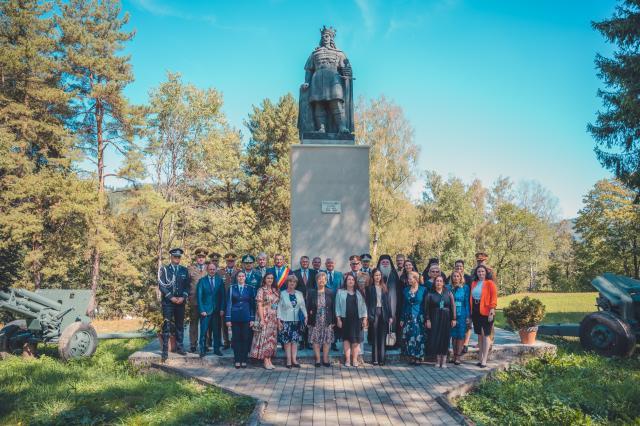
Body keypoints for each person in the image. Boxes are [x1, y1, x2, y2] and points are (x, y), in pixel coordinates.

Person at [157, 248, 190, 362]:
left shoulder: (184, 270)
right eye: (175, 257)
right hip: (168, 303)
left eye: (179, 257)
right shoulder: (164, 270)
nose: (177, 259)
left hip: (180, 302)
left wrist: (183, 297)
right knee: (166, 326)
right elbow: (161, 286)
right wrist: (171, 297)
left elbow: (187, 286)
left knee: (180, 325)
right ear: (171, 257)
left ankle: (180, 347)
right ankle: (165, 350)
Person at [225, 270, 257, 368]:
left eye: (243, 276)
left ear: (245, 278)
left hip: (246, 317)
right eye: (239, 276)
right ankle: (237, 359)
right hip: (235, 317)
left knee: (245, 338)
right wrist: (228, 318)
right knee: (236, 339)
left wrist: (252, 318)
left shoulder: (250, 288)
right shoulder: (231, 288)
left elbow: (252, 305)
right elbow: (229, 303)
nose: (241, 278)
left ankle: (244, 359)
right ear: (237, 278)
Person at [336, 274, 368, 367]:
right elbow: (337, 306)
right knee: (346, 340)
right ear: (345, 281)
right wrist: (338, 319)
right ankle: (347, 360)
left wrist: (365, 318)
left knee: (356, 341)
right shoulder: (340, 292)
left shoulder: (359, 292)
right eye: (348, 279)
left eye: (352, 280)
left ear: (355, 282)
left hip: (357, 320)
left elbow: (363, 307)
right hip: (345, 319)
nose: (350, 281)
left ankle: (354, 360)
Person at [249, 273, 280, 369]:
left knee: (272, 340)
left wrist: (278, 319)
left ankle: (269, 359)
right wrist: (262, 320)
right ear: (264, 279)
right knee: (265, 340)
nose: (270, 280)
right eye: (268, 278)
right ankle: (265, 361)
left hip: (273, 319)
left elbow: (277, 305)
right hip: (264, 317)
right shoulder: (261, 290)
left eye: (271, 278)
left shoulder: (275, 291)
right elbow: (259, 305)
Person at [425, 276, 456, 368]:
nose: (438, 282)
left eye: (440, 281)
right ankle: (438, 360)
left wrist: (454, 318)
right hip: (434, 318)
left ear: (443, 283)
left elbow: (453, 306)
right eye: (437, 281)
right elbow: (426, 308)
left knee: (445, 338)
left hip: (446, 318)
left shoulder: (448, 293)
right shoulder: (430, 294)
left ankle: (444, 361)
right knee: (437, 338)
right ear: (434, 283)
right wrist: (428, 320)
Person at [470, 265, 497, 368]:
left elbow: (494, 298)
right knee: (479, 335)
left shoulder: (490, 283)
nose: (480, 273)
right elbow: (471, 297)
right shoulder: (474, 283)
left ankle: (484, 360)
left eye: (482, 271)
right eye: (479, 272)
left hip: (486, 311)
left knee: (486, 335)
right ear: (476, 273)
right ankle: (480, 358)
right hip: (476, 310)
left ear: (486, 273)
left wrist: (492, 310)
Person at [277, 275, 307, 368]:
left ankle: (294, 360)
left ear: (296, 284)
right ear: (287, 283)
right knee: (287, 342)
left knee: (295, 341)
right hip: (286, 320)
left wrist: (306, 316)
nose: (292, 283)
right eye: (290, 281)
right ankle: (289, 361)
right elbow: (279, 308)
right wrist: (279, 320)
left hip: (297, 321)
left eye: (294, 282)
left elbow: (302, 306)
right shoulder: (282, 293)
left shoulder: (299, 293)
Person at [306, 271, 335, 367]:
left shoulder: (330, 292)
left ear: (326, 281)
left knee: (327, 340)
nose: (321, 280)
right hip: (315, 319)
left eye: (323, 279)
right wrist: (308, 317)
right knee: (315, 340)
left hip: (327, 320)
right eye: (319, 279)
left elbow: (333, 307)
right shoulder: (311, 292)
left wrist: (333, 320)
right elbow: (308, 306)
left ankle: (325, 359)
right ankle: (318, 360)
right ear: (316, 281)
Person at [196, 262, 225, 357]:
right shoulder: (202, 281)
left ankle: (217, 349)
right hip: (205, 311)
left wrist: (222, 309)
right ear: (207, 270)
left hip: (216, 311)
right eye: (210, 269)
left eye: (213, 269)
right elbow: (199, 297)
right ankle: (202, 349)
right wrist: (202, 310)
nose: (212, 271)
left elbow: (222, 296)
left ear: (216, 270)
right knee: (204, 331)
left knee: (217, 331)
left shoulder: (220, 280)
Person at [366, 268, 392, 365]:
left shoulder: (384, 287)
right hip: (374, 313)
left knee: (382, 336)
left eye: (379, 275)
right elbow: (367, 303)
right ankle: (375, 359)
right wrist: (368, 316)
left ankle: (382, 359)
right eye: (376, 275)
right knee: (375, 336)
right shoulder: (369, 288)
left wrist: (390, 316)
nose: (378, 277)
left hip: (384, 312)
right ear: (373, 276)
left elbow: (388, 303)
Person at [400, 271, 426, 364]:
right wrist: (402, 318)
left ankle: (418, 357)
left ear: (416, 279)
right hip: (408, 316)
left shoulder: (423, 289)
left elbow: (425, 304)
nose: (408, 280)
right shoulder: (406, 290)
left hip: (419, 316)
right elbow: (404, 305)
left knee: (419, 336)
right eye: (408, 278)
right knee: (409, 336)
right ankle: (411, 356)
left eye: (410, 278)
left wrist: (427, 318)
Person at [376, 255, 401, 347]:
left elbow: (398, 290)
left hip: (392, 301)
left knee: (392, 318)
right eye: (383, 262)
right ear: (380, 264)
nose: (385, 264)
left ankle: (392, 343)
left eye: (387, 262)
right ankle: (381, 342)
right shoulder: (377, 274)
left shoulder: (393, 274)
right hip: (379, 302)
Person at [187, 248, 209, 353]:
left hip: (205, 302)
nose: (201, 259)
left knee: (205, 324)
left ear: (205, 258)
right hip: (194, 301)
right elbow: (186, 284)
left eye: (203, 257)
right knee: (194, 323)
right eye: (199, 257)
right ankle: (193, 344)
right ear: (196, 258)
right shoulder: (190, 269)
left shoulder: (209, 269)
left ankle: (204, 344)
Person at [448, 270, 470, 365]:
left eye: (458, 276)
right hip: (451, 314)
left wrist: (468, 316)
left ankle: (458, 356)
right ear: (451, 278)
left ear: (461, 278)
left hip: (462, 313)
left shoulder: (465, 288)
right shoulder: (448, 287)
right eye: (454, 276)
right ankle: (454, 355)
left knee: (460, 335)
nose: (456, 278)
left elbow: (467, 302)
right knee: (453, 335)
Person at [219, 253, 238, 349]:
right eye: (228, 261)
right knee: (224, 322)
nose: (230, 262)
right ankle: (226, 342)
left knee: (234, 321)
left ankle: (234, 341)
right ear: (226, 261)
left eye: (232, 261)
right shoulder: (220, 272)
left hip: (235, 301)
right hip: (224, 300)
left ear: (234, 261)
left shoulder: (239, 271)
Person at [324, 257, 343, 350]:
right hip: (325, 301)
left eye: (331, 263)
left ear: (334, 264)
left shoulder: (339, 274)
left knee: (335, 321)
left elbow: (342, 287)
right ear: (325, 264)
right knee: (326, 322)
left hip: (336, 301)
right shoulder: (322, 274)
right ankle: (324, 341)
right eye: (328, 263)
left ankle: (334, 342)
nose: (330, 264)